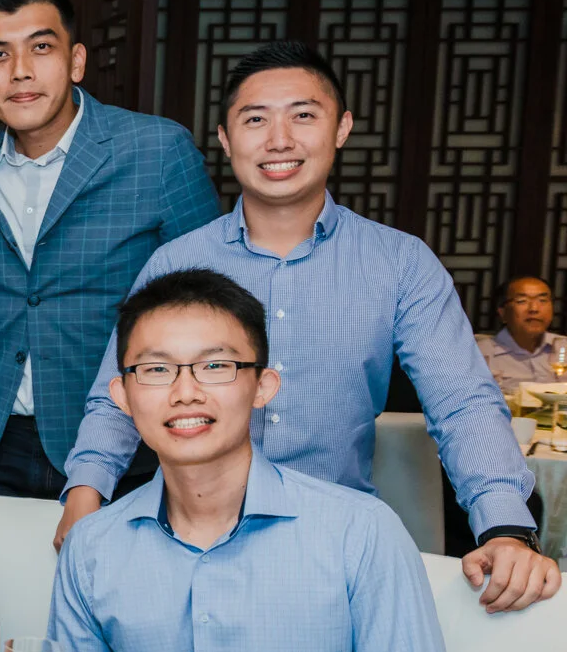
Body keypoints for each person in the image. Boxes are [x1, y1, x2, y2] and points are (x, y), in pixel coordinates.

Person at [59, 40, 559, 613]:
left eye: (303, 115)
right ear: (225, 139)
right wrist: (86, 493)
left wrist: (505, 526)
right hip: (181, 545)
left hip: (332, 551)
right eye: (255, 119)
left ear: (341, 128)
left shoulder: (399, 263)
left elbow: (462, 401)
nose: (279, 139)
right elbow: (120, 392)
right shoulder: (177, 262)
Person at [51, 268, 492, 652]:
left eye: (216, 366)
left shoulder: (357, 532)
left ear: (263, 386)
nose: (185, 392)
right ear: (122, 396)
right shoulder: (94, 546)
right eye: (155, 369)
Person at [0, 0, 220, 499]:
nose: (20, 71)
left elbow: (212, 300)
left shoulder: (157, 150)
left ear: (76, 61)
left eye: (40, 48)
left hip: (122, 440)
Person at [477, 276, 565, 387]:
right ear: (503, 313)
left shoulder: (564, 347)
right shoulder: (479, 354)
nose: (534, 309)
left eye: (542, 300)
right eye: (522, 301)